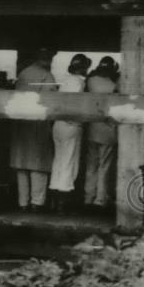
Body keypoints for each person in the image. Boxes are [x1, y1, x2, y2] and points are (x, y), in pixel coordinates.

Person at [10, 49, 57, 211]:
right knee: (38, 166)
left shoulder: (23, 73)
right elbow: (50, 102)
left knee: (22, 166)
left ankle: (22, 203)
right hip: (38, 124)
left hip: (21, 123)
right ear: (47, 60)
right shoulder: (47, 76)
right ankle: (37, 203)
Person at [49, 53, 92, 212]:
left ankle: (53, 197)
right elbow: (72, 105)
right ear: (83, 68)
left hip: (58, 124)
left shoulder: (66, 81)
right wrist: (76, 121)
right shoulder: (78, 83)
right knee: (69, 161)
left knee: (58, 160)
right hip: (70, 124)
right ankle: (62, 201)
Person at [83, 66, 118, 213]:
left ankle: (88, 197)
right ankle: (100, 198)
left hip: (92, 128)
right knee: (105, 166)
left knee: (91, 165)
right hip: (108, 130)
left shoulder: (91, 81)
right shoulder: (114, 85)